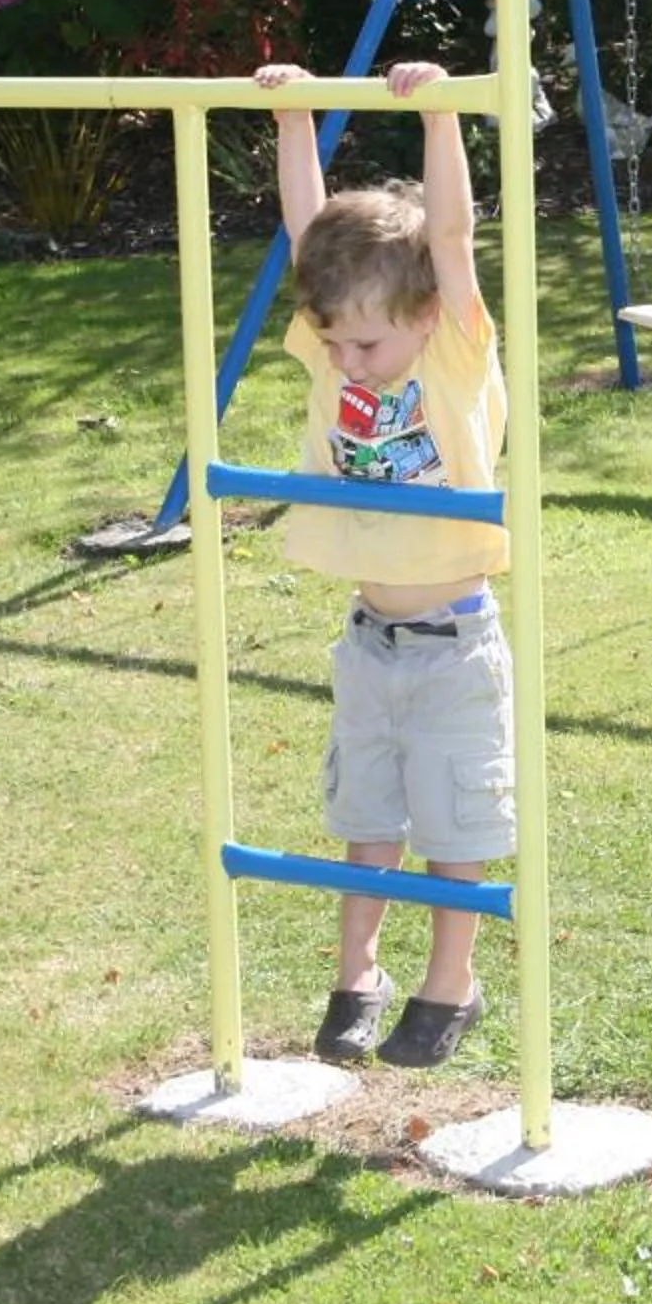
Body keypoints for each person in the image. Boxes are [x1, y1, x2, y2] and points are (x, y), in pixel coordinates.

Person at [256, 58, 512, 1069]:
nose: (346, 360)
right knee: (367, 815)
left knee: (453, 817)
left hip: (454, 640)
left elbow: (450, 237)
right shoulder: (335, 345)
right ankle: (355, 971)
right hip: (370, 640)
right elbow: (304, 239)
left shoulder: (453, 350)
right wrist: (293, 117)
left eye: (365, 343)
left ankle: (452, 979)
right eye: (336, 341)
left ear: (420, 320)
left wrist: (441, 111)